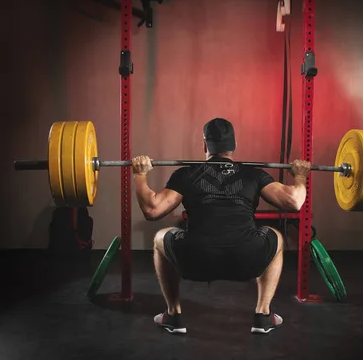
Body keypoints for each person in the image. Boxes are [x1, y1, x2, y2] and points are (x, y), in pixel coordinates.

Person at [131, 118, 310, 335]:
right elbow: (294, 202)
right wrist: (300, 177)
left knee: (161, 237)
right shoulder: (253, 174)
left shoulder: (186, 174)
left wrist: (140, 175)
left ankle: (173, 314)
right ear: (233, 146)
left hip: (196, 261)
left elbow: (152, 210)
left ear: (205, 146)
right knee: (276, 238)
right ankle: (263, 315)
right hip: (246, 261)